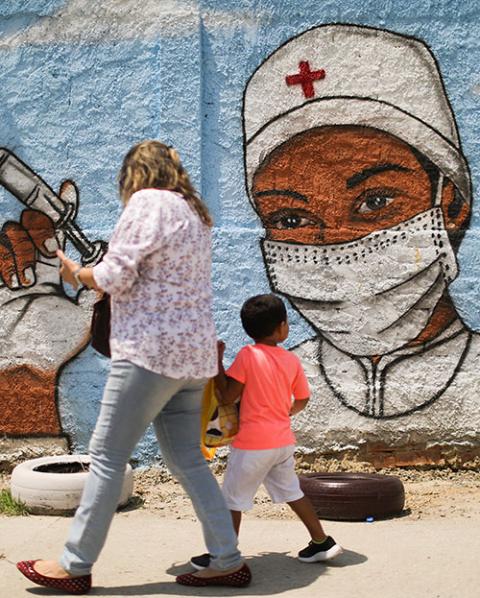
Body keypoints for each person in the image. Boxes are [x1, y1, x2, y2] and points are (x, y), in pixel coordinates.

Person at [16, 140, 251, 594]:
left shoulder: (147, 203)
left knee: (106, 457)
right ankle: (227, 559)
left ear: (136, 174)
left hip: (148, 353)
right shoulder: (193, 214)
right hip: (192, 358)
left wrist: (76, 274)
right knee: (188, 461)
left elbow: (115, 276)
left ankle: (74, 566)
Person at [242, 23, 480, 460]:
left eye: (375, 202)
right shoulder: (287, 382)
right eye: (290, 217)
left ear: (449, 204)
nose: (333, 245)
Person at [190, 294, 343, 570]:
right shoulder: (291, 360)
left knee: (231, 501)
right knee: (293, 492)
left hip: (252, 446)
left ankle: (223, 555)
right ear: (282, 327)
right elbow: (302, 399)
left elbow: (226, 397)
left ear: (248, 329)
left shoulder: (248, 356)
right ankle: (322, 542)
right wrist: (286, 413)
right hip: (282, 442)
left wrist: (217, 364)